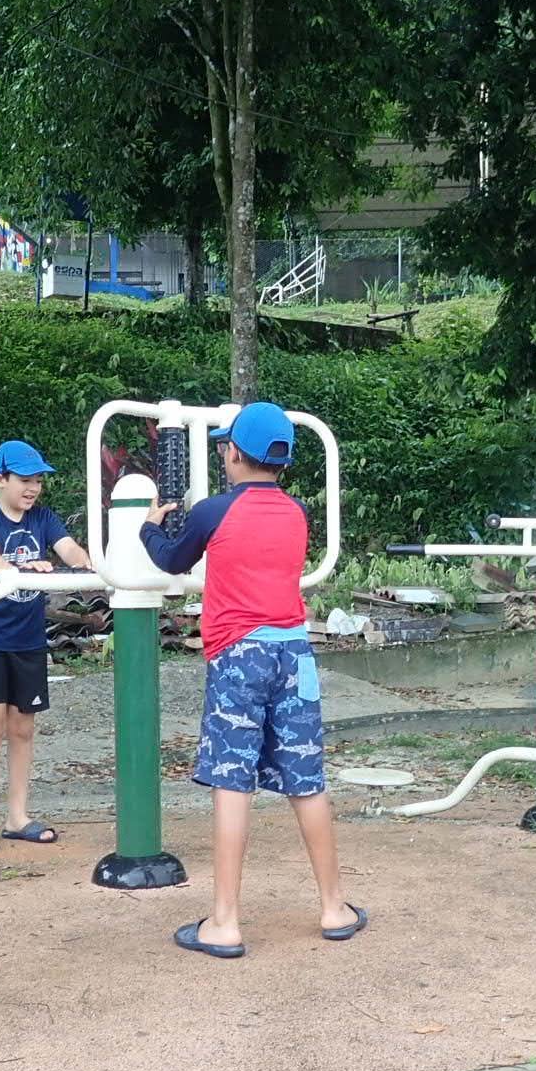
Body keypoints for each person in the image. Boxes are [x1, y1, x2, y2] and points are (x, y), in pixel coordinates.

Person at [141, 402, 365, 957]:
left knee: (232, 783)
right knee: (306, 780)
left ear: (234, 453)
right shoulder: (296, 513)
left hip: (240, 657)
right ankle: (335, 907)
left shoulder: (212, 511)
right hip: (295, 654)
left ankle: (224, 922)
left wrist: (148, 524)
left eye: (225, 446)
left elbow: (171, 560)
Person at [0, 440, 91, 854]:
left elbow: (68, 548)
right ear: (0, 479)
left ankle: (17, 816)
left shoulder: (44, 518)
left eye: (37, 480)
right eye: (24, 480)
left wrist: (86, 563)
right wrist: (19, 568)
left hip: (28, 640)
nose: (33, 488)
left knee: (23, 728)